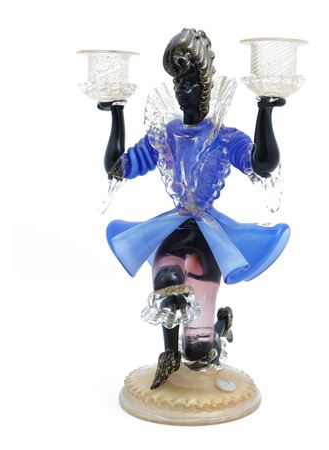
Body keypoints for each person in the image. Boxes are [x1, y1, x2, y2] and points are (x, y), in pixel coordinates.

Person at [97, 28, 290, 389]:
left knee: (199, 353)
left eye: (191, 83)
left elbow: (262, 164)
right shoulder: (164, 136)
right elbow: (119, 167)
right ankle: (168, 354)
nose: (183, 91)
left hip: (209, 238)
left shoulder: (225, 137)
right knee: (167, 276)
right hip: (175, 229)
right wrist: (116, 112)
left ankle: (216, 328)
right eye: (178, 83)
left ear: (206, 88)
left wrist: (265, 108)